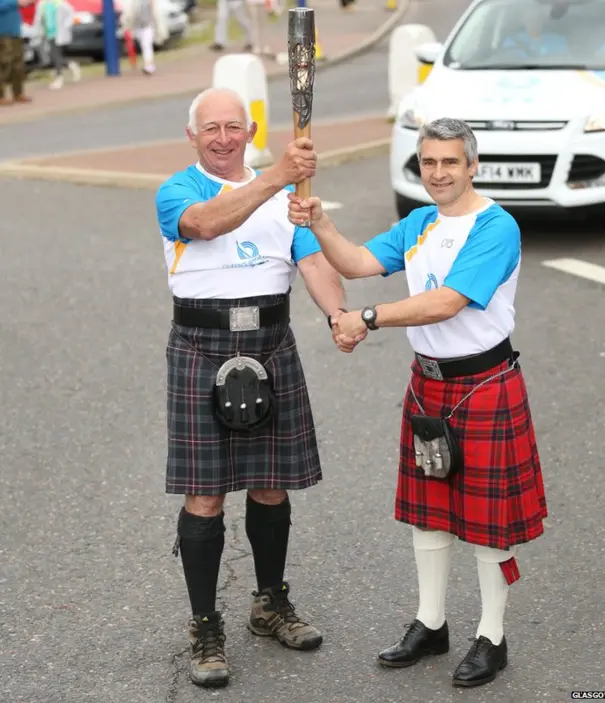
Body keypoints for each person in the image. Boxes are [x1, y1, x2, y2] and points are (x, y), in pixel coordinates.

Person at [287, 117, 547, 689]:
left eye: (450, 162)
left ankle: (492, 637)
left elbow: (448, 302)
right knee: (429, 514)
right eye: (429, 163)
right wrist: (322, 223)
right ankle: (432, 624)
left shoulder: (495, 227)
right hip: (430, 385)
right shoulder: (420, 222)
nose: (438, 173)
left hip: (484, 384)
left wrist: (367, 318)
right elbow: (356, 261)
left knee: (485, 524)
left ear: (472, 165)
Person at [154, 87, 357, 689]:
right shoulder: (179, 192)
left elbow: (313, 263)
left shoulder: (285, 198)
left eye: (233, 127)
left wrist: (337, 315)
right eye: (210, 128)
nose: (222, 137)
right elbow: (208, 223)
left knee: (271, 485)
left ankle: (270, 603)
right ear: (192, 135)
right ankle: (204, 624)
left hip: (271, 341)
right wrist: (277, 177)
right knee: (205, 493)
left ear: (249, 130)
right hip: (200, 345)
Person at [33, 0, 81, 90]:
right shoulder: (42, 4)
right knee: (54, 55)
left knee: (55, 55)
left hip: (59, 34)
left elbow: (71, 14)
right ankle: (71, 65)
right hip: (48, 34)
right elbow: (38, 19)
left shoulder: (60, 3)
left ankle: (59, 77)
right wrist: (36, 32)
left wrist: (66, 25)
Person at [0, 0, 33, 105]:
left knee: (18, 63)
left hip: (15, 31)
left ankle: (18, 93)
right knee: (4, 63)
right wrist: (16, 3)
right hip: (2, 32)